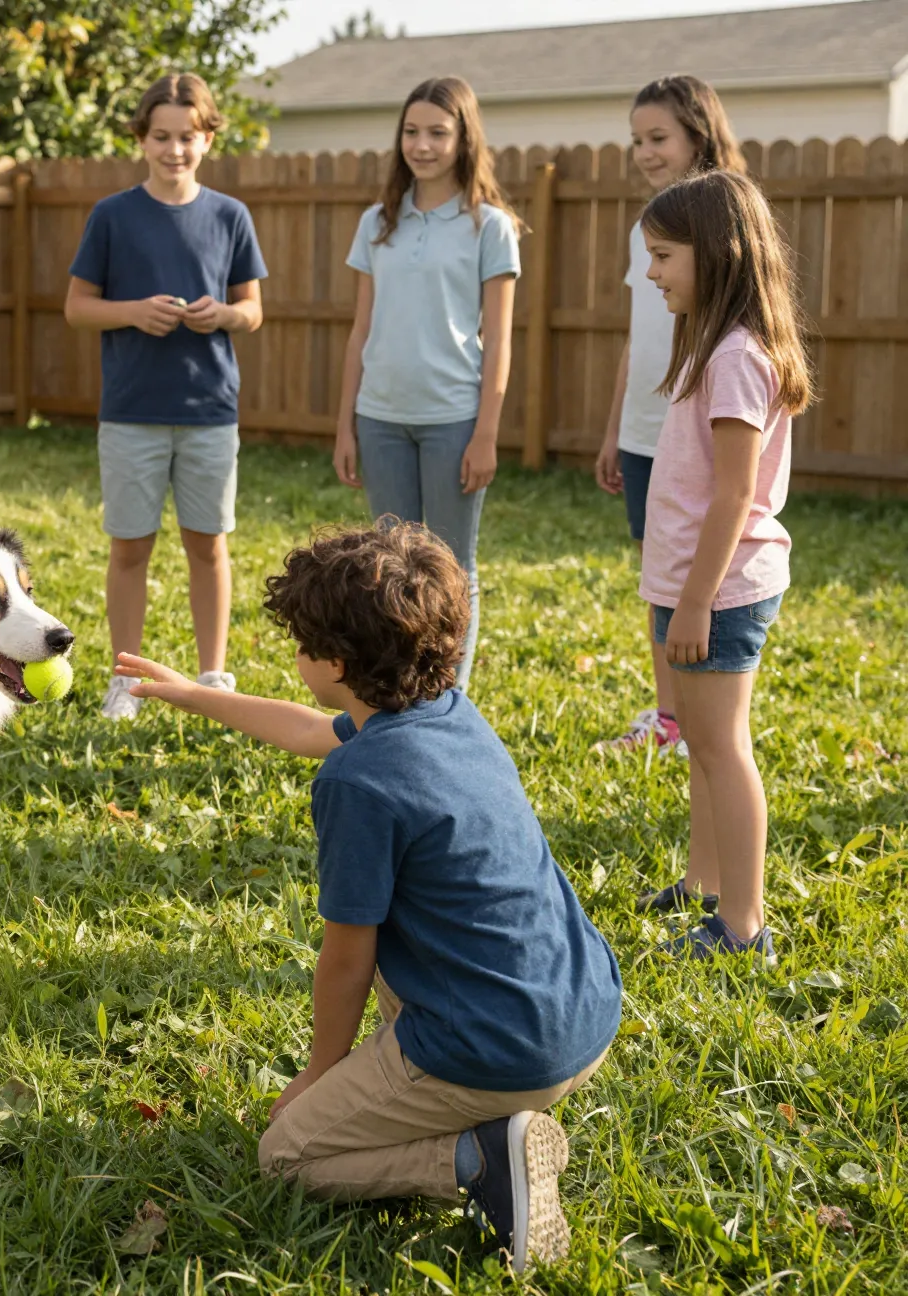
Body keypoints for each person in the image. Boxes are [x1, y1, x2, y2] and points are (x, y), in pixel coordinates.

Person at [113, 523, 620, 1270]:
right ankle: (479, 1111)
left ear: (336, 663)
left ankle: (478, 1157)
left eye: (301, 643)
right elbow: (313, 730)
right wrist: (196, 696)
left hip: (499, 1049)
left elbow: (348, 959)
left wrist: (321, 1071)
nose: (295, 655)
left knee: (287, 1154)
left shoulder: (360, 784)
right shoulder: (450, 714)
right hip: (581, 1015)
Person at [634, 170, 812, 958]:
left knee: (721, 748)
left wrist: (697, 599)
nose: (651, 273)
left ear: (716, 254)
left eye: (663, 255)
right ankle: (703, 886)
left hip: (721, 590)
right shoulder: (714, 346)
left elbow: (736, 493)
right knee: (702, 745)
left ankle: (743, 925)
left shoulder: (737, 355)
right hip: (696, 585)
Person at [63, 72, 267, 721]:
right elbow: (77, 307)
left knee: (208, 546)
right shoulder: (112, 216)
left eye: (187, 136)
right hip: (131, 413)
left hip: (209, 412)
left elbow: (253, 310)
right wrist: (133, 312)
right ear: (142, 140)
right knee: (130, 549)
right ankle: (126, 680)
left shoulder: (230, 216)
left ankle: (213, 677)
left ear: (207, 139)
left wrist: (222, 316)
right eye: (161, 137)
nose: (174, 149)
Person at [331, 76, 520, 692]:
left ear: (464, 139)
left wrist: (485, 433)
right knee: (388, 568)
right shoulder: (377, 223)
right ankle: (401, 692)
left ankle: (448, 699)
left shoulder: (490, 226)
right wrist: (346, 426)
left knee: (451, 567)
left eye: (438, 132)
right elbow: (360, 331)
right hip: (380, 417)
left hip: (454, 420)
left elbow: (500, 340)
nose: (422, 145)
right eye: (411, 132)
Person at [594, 75, 745, 762]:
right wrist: (615, 430)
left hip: (704, 432)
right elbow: (639, 335)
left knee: (707, 573)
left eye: (658, 137)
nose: (645, 153)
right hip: (644, 429)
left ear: (699, 134)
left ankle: (712, 716)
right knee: (658, 574)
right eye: (636, 141)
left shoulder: (730, 221)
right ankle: (669, 718)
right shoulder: (645, 227)